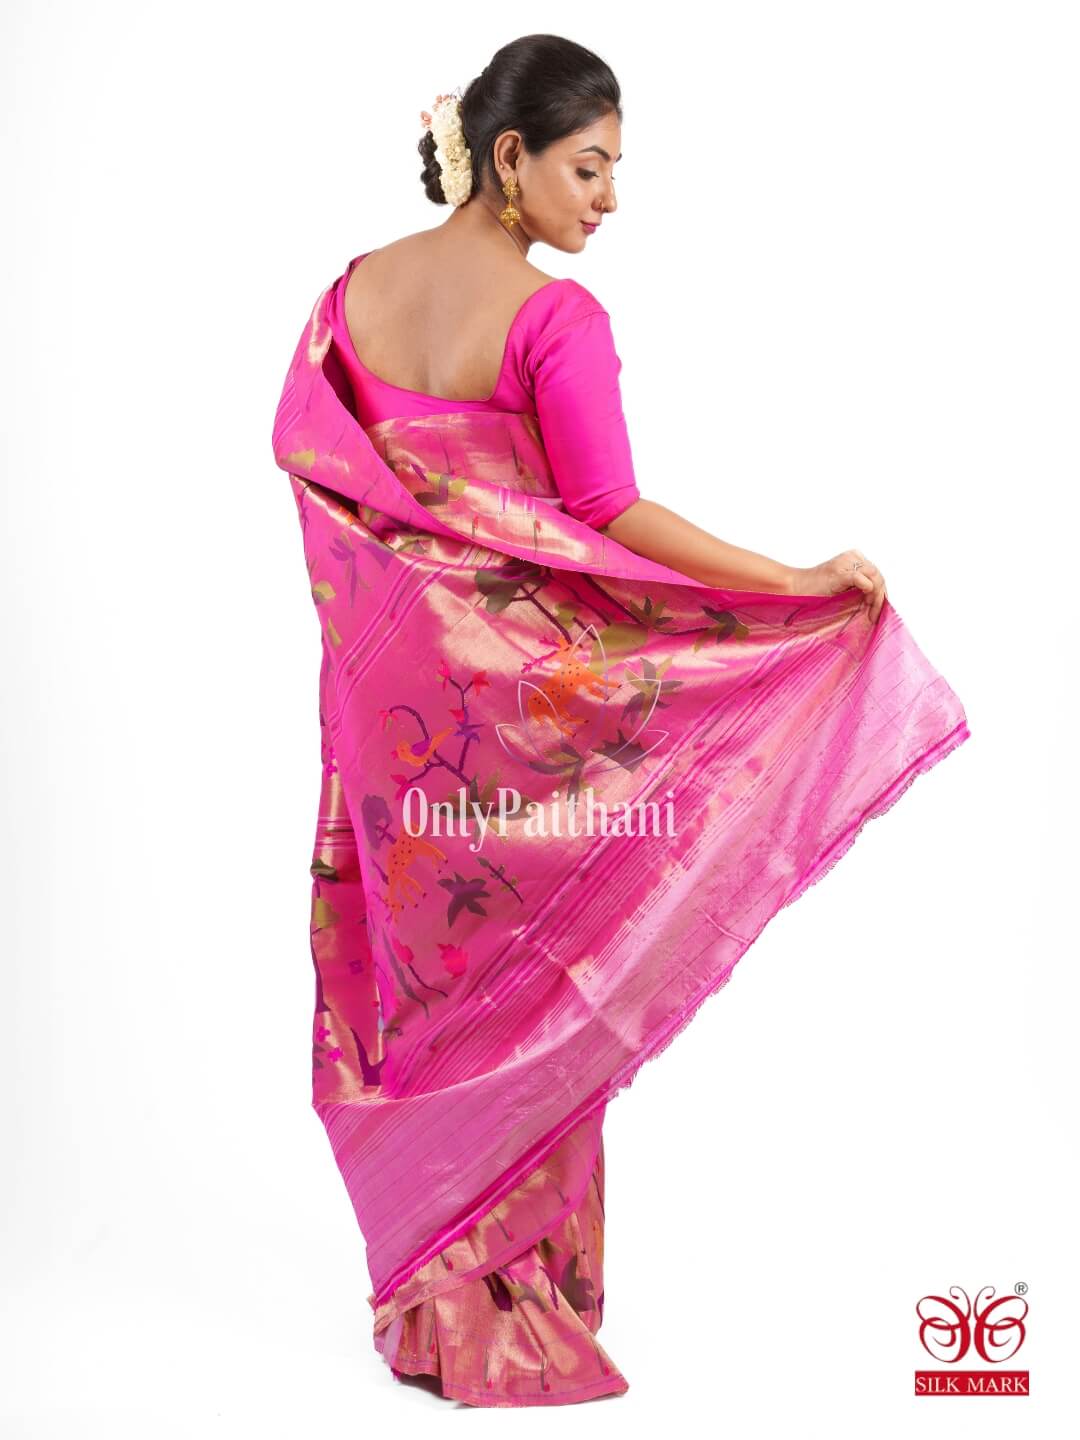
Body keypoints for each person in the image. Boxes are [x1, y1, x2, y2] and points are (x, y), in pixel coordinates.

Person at [270, 33, 968, 1409]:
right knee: (547, 971)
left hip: (390, 709)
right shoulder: (554, 318)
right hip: (521, 714)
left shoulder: (346, 299)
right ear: (509, 156)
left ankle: (434, 1307)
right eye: (589, 167)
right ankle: (514, 1307)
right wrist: (793, 581)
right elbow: (604, 513)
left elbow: (322, 473)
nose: (609, 199)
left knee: (432, 976)